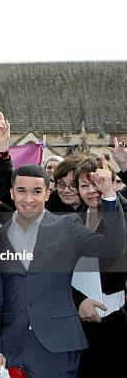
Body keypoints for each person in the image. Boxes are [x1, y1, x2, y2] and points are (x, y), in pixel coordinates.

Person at [0, 164, 126, 377]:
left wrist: (108, 195)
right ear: (12, 193)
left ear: (48, 194)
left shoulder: (68, 226)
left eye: (37, 191)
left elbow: (112, 247)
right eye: (22, 191)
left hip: (57, 346)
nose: (29, 198)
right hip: (10, 346)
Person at [71, 155, 127, 378]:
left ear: (111, 182)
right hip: (79, 323)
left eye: (97, 183)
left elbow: (114, 248)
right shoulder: (71, 221)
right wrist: (79, 301)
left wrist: (110, 196)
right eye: (85, 185)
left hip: (115, 321)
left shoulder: (121, 215)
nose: (91, 190)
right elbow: (58, 275)